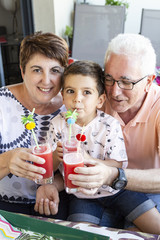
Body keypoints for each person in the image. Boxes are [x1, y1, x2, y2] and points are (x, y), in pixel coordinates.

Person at [37, 60, 160, 234]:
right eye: (71, 91)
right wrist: (57, 156)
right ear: (63, 96)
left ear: (100, 100)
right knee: (80, 235)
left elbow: (118, 164)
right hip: (83, 196)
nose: (77, 98)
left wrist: (89, 159)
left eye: (86, 92)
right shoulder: (57, 125)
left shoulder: (109, 125)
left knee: (156, 226)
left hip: (118, 191)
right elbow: (51, 169)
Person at [66, 34, 160, 232]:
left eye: (127, 82)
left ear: (149, 80)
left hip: (147, 189)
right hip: (94, 191)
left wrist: (113, 175)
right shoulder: (95, 97)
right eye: (109, 78)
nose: (115, 92)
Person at [0, 31, 69, 218]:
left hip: (57, 201)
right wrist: (6, 162)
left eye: (55, 70)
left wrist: (53, 185)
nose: (46, 81)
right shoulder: (1, 104)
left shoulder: (70, 107)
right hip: (6, 206)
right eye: (37, 70)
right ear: (22, 71)